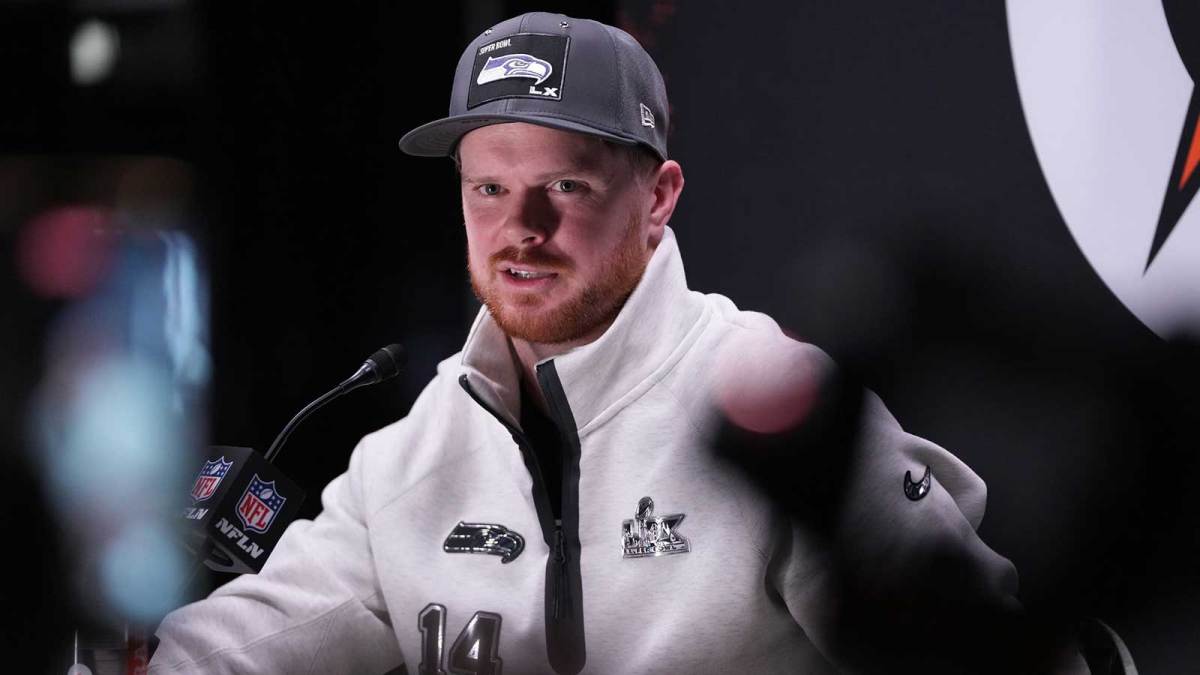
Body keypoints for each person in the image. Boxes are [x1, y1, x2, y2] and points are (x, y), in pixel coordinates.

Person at [149, 12, 1088, 674]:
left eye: (566, 188)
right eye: (488, 189)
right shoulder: (413, 451)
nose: (520, 227)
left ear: (660, 198)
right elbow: (239, 646)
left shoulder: (776, 406)